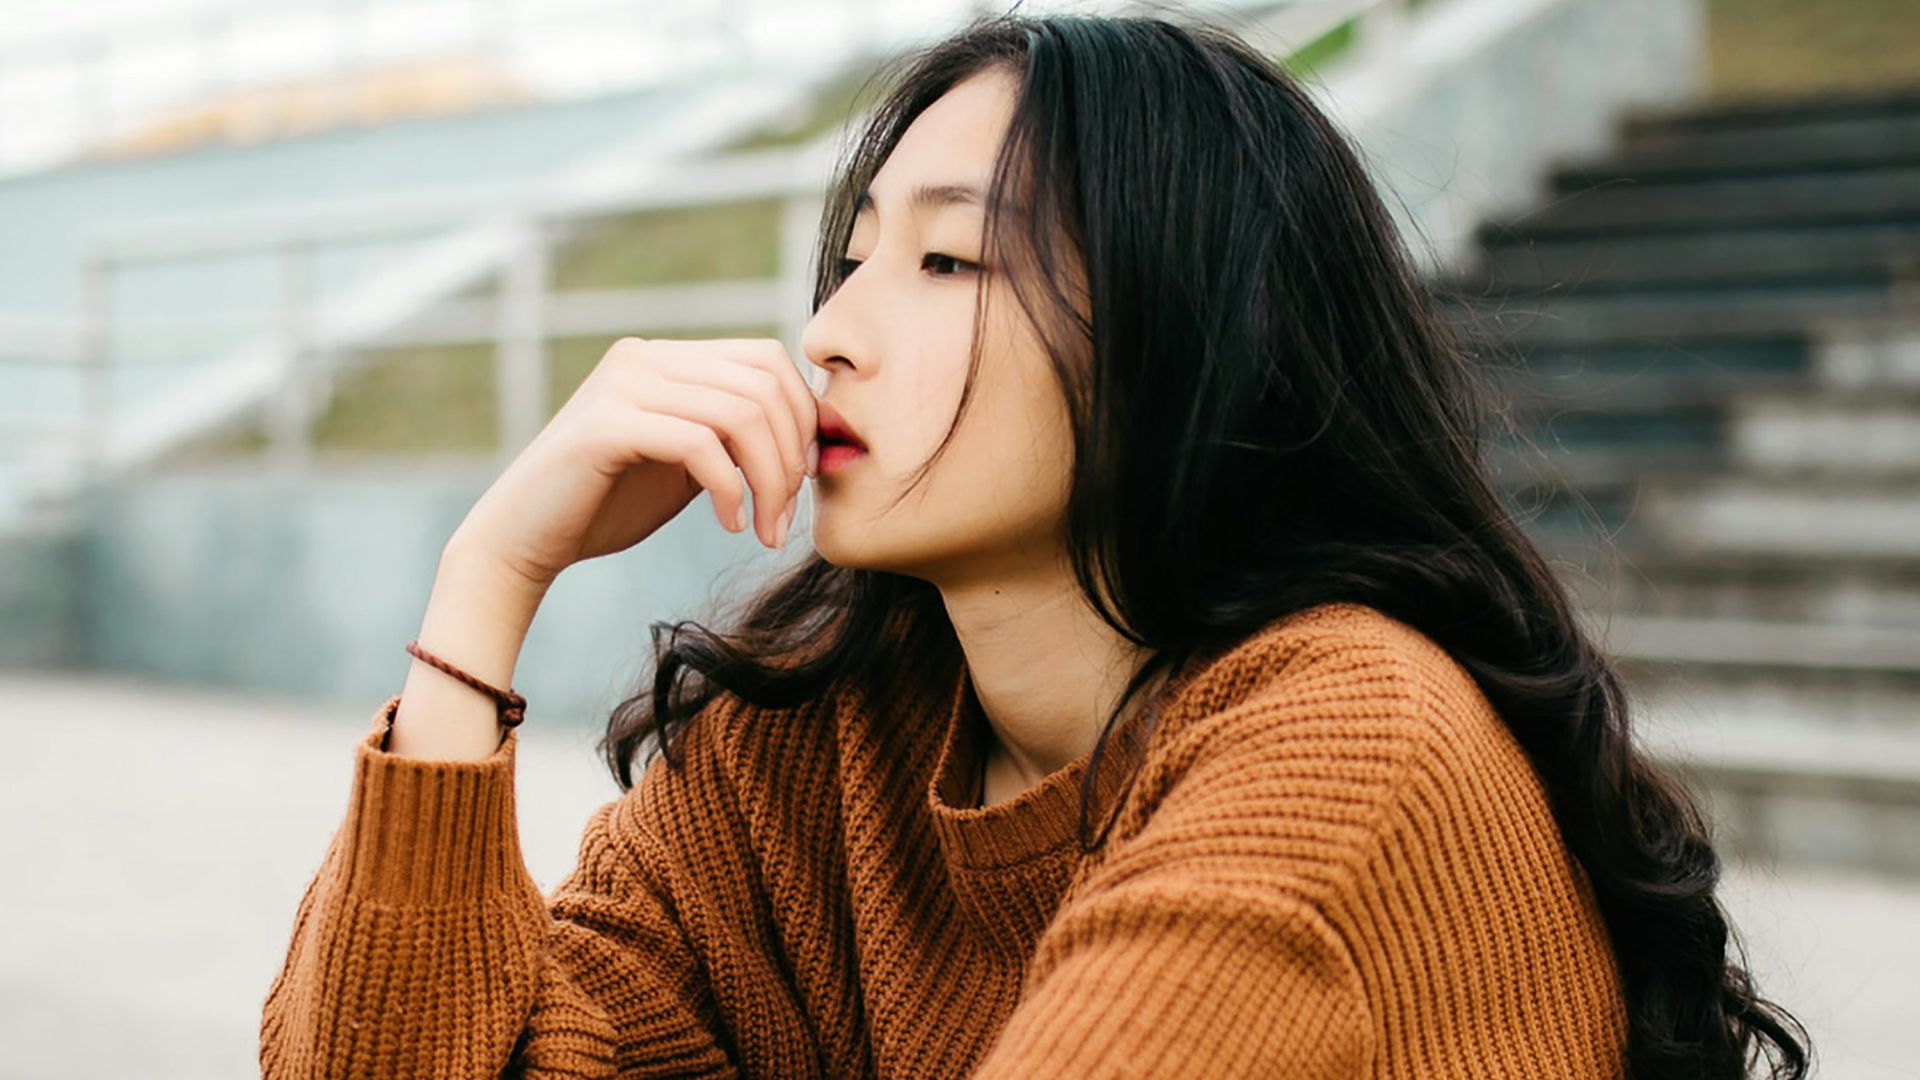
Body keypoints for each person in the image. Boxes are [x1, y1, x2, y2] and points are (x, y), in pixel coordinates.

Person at [259, 11, 1810, 1078]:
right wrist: (489, 582)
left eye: (948, 260)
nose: (832, 334)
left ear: (1180, 336)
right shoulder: (810, 740)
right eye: (850, 259)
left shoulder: (1348, 744)